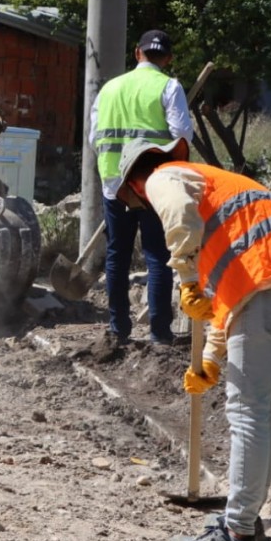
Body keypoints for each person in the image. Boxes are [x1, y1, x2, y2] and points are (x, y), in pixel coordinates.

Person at [114, 138, 271, 541]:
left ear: (135, 186)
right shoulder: (219, 192)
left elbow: (175, 214)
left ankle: (236, 532)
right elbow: (226, 300)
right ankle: (248, 518)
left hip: (267, 288)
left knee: (249, 410)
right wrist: (211, 358)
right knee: (268, 408)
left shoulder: (164, 177)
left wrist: (186, 277)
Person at [88, 29, 194, 345]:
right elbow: (182, 137)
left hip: (115, 185)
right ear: (169, 59)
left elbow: (95, 137)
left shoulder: (108, 89)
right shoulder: (169, 87)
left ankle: (119, 330)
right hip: (153, 185)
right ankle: (160, 333)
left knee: (117, 255)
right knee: (157, 255)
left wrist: (117, 171)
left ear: (137, 53)